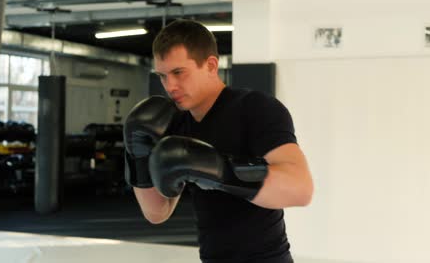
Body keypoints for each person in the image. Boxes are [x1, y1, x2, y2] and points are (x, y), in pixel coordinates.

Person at [123, 19, 314, 263]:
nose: (170, 86)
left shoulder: (255, 108)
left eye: (179, 73)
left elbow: (301, 190)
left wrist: (219, 171)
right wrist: (137, 154)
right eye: (162, 76)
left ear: (211, 65)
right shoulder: (177, 124)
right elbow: (156, 212)